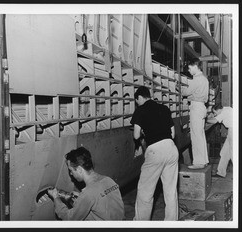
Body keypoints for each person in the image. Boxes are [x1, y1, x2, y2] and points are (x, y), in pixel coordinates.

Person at [130, 86, 179, 221]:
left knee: (145, 191)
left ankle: (141, 223)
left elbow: (135, 135)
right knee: (170, 191)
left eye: (137, 101)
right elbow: (173, 134)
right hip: (171, 149)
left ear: (139, 97)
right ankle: (171, 222)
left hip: (155, 151)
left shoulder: (140, 110)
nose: (137, 103)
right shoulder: (164, 109)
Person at [47, 146, 125, 220]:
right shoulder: (108, 180)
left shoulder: (88, 193)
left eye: (71, 170)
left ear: (80, 169)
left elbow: (70, 218)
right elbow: (99, 198)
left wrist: (56, 197)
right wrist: (81, 197)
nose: (71, 173)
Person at [182, 58, 209, 169]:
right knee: (200, 135)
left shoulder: (196, 79)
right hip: (202, 107)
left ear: (194, 66)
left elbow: (186, 92)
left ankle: (198, 162)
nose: (188, 70)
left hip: (196, 108)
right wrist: (191, 96)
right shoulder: (204, 79)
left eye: (189, 68)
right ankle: (204, 160)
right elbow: (202, 97)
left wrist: (180, 89)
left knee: (195, 135)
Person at [206, 104, 233, 178]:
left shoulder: (224, 112)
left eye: (215, 113)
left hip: (234, 132)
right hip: (232, 131)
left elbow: (214, 121)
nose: (215, 114)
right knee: (224, 153)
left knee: (234, 154)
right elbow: (216, 118)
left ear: (219, 110)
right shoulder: (227, 109)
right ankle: (221, 172)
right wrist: (212, 116)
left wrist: (203, 119)